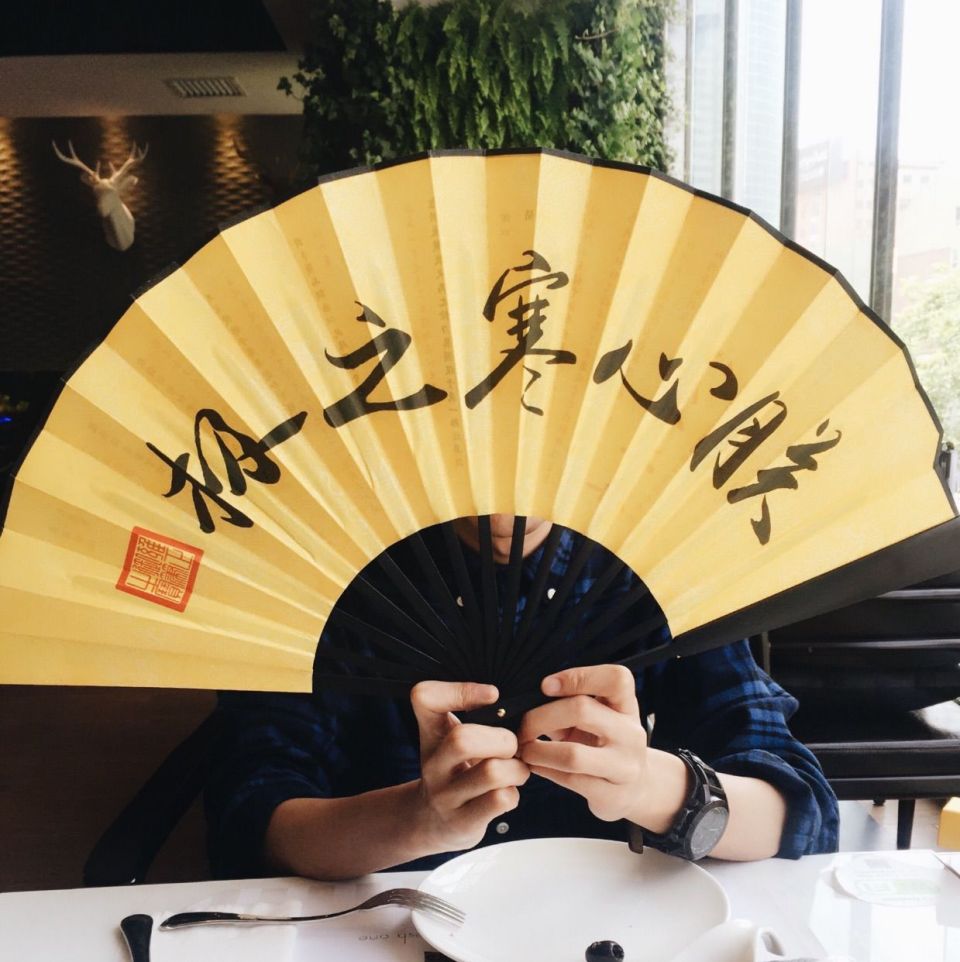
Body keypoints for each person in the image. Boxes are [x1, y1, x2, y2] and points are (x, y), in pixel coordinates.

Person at [205, 515, 839, 880]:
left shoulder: (657, 569)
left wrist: (649, 786)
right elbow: (251, 821)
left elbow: (797, 812)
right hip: (382, 925)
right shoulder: (326, 577)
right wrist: (417, 818)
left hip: (611, 924)